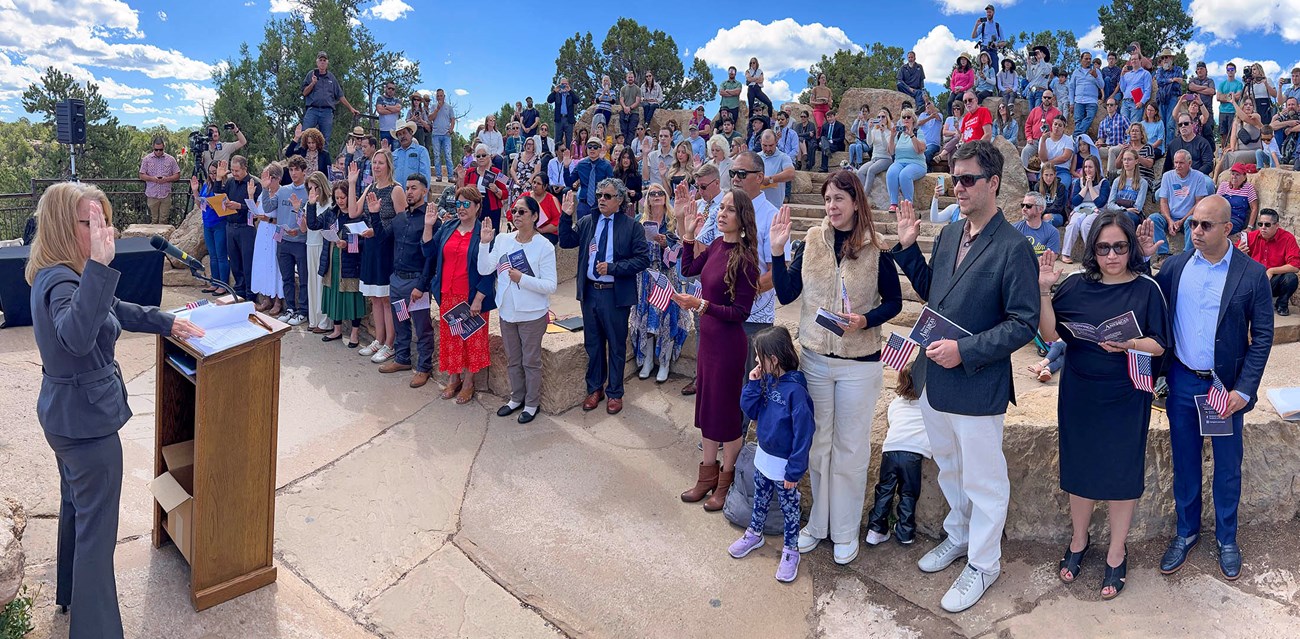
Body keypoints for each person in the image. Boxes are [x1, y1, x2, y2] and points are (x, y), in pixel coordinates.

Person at [27, 182, 204, 639]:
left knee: (77, 511)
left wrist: (166, 320)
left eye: (107, 219)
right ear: (68, 227)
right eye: (96, 221)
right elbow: (78, 336)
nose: (106, 229)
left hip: (67, 418)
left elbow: (113, 308)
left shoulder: (61, 272)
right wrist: (100, 269)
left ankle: (68, 593)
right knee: (97, 535)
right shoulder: (65, 280)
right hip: (86, 425)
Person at [891, 140, 1040, 613]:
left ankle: (984, 563)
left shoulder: (1015, 247)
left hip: (977, 382)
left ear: (993, 183)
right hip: (934, 377)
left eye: (967, 179)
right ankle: (958, 536)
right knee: (951, 469)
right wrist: (910, 250)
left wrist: (966, 350)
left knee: (984, 480)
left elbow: (1023, 322)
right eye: (954, 178)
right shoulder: (952, 233)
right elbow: (936, 293)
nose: (957, 186)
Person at [769, 169, 902, 564]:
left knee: (850, 448)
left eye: (839, 199)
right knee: (818, 445)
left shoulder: (876, 248)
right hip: (815, 360)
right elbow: (787, 292)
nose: (831, 207)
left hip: (859, 364)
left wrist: (866, 320)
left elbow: (893, 303)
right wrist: (777, 252)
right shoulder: (811, 241)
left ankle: (845, 531)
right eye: (827, 200)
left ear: (856, 201)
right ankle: (818, 525)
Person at [1037, 213, 1170, 599]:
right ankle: (1079, 540)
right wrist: (1045, 290)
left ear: (1130, 246)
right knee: (1080, 465)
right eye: (1103, 247)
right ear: (1092, 248)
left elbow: (1161, 343)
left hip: (1127, 390)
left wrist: (1129, 344)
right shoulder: (1076, 285)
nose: (1112, 255)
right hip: (1080, 390)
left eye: (1120, 247)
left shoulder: (1147, 288)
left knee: (1120, 470)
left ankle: (1116, 551)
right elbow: (1049, 334)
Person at [1150, 195, 1274, 583]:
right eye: (1193, 224)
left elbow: (1264, 336)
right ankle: (1186, 532)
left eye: (1205, 225)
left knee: (1226, 467)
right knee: (1184, 460)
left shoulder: (1251, 274)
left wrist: (1245, 390)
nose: (1196, 231)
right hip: (1184, 381)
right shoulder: (1174, 266)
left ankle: (1226, 538)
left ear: (1228, 229)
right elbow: (1148, 303)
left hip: (1225, 388)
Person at [675, 187, 761, 509]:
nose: (721, 213)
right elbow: (686, 269)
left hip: (728, 346)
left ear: (742, 218)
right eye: (720, 208)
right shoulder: (714, 246)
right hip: (707, 342)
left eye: (729, 209)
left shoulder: (746, 259)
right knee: (707, 412)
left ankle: (725, 482)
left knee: (725, 416)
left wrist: (701, 305)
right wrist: (686, 233)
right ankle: (706, 477)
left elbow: (741, 313)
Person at [728, 326, 815, 583]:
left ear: (773, 359)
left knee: (789, 510)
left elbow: (804, 434)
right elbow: (751, 411)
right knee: (760, 500)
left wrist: (794, 470)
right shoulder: (765, 380)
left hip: (784, 467)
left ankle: (791, 550)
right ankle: (755, 533)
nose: (756, 361)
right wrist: (753, 383)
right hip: (763, 459)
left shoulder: (797, 394)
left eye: (759, 357)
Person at [558, 178, 651, 414]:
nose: (601, 199)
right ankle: (595, 389)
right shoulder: (589, 221)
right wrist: (565, 216)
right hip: (590, 294)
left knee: (616, 345)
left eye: (607, 196)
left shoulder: (632, 227)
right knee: (593, 344)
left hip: (614, 296)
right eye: (599, 195)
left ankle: (615, 393)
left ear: (620, 200)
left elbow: (642, 260)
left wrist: (613, 268)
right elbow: (567, 241)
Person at [478, 196, 557, 423]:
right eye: (514, 210)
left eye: (523, 212)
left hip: (532, 314)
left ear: (534, 216)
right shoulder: (503, 239)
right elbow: (485, 269)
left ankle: (531, 404)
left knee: (530, 361)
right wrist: (484, 244)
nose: (517, 215)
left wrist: (522, 278)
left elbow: (550, 285)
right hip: (507, 311)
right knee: (513, 359)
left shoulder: (544, 246)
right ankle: (516, 398)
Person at [425, 187, 496, 403]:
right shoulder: (448, 227)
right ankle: (453, 379)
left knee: (472, 341)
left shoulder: (485, 232)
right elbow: (428, 253)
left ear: (477, 207)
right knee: (452, 339)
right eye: (458, 204)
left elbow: (489, 269)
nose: (462, 208)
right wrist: (428, 226)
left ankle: (468, 383)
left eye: (467, 204)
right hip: (449, 294)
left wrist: (479, 298)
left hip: (472, 297)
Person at [375, 173, 437, 388]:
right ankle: (402, 358)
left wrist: (422, 285)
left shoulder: (430, 219)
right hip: (398, 282)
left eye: (414, 188)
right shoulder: (400, 218)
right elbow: (382, 238)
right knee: (401, 322)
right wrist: (375, 215)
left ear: (424, 191)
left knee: (422, 328)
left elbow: (432, 256)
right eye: (408, 188)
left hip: (416, 284)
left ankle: (423, 367)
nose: (409, 192)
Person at [350, 148, 406, 364]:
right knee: (375, 298)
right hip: (370, 247)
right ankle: (378, 339)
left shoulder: (396, 189)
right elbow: (354, 211)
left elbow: (402, 222)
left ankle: (390, 344)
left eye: (380, 163)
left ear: (389, 165)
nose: (376, 166)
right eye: (374, 163)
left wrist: (379, 229)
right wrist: (353, 183)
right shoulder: (371, 187)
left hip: (386, 249)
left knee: (386, 299)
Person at [865, 362, 931, 546]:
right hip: (913, 454)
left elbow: (892, 420)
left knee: (884, 490)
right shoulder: (929, 405)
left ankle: (875, 530)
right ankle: (905, 532)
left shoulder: (895, 403)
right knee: (908, 493)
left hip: (891, 450)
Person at [631, 183, 689, 383]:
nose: (655, 196)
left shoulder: (672, 222)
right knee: (646, 318)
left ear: (665, 197)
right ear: (647, 199)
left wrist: (667, 244)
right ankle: (647, 360)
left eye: (659, 193)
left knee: (667, 318)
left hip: (666, 276)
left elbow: (681, 250)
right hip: (645, 276)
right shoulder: (640, 220)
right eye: (651, 193)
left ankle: (664, 362)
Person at [307, 179, 366, 347]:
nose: (340, 201)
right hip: (332, 262)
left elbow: (363, 242)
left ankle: (355, 333)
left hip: (350, 263)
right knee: (334, 295)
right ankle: (337, 329)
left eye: (343, 197)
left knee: (352, 297)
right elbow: (313, 225)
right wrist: (311, 205)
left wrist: (347, 245)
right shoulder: (331, 213)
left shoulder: (357, 216)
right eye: (337, 197)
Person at [211, 156, 262, 302]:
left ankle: (250, 295)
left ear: (245, 167)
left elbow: (256, 209)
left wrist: (239, 206)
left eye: (237, 170)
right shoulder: (231, 182)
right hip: (230, 226)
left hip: (246, 227)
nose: (234, 173)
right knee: (235, 262)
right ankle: (239, 292)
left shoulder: (254, 184)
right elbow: (219, 195)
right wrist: (219, 178)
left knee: (247, 263)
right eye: (232, 170)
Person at [1154, 150, 1215, 255]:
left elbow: (1198, 203)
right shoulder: (1167, 176)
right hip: (1171, 216)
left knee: (1192, 221)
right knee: (1153, 219)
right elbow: (1163, 202)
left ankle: (1187, 255)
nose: (1177, 166)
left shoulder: (1198, 177)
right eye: (1176, 162)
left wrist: (1182, 220)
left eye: (1181, 163)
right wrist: (1169, 221)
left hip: (1187, 217)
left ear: (1189, 163)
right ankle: (1163, 255)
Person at [1245, 209, 1300, 316]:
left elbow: (1295, 265)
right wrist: (1240, 253)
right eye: (1260, 224)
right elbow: (1233, 259)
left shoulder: (1287, 238)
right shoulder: (1251, 237)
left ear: (1277, 225)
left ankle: (1281, 304)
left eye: (1267, 224)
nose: (1263, 228)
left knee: (1291, 278)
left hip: (1273, 281)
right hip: (1254, 279)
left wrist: (1272, 270)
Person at [298, 171, 332, 334]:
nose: (312, 191)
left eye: (314, 187)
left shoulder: (329, 203)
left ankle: (325, 321)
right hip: (310, 244)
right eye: (309, 188)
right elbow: (305, 228)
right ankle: (314, 319)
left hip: (322, 245)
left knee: (321, 284)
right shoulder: (309, 203)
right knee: (312, 282)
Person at [1060, 156, 1110, 261]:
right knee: (1073, 224)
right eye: (1085, 167)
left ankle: (1091, 255)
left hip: (1097, 210)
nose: (1087, 170)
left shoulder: (1104, 182)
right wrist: (1085, 187)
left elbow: (1100, 202)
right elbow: (1075, 201)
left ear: (1096, 168)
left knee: (1086, 225)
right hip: (1081, 209)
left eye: (1090, 167)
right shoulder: (1079, 182)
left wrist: (1091, 187)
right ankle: (1065, 254)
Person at [301, 52, 359, 142]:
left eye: (324, 60)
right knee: (304, 135)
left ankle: (323, 156)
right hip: (312, 110)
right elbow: (304, 93)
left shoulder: (331, 77)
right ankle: (301, 155)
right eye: (320, 60)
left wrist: (351, 108)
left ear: (327, 63)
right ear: (317, 62)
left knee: (325, 140)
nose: (322, 62)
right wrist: (313, 83)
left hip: (327, 112)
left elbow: (340, 95)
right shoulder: (311, 75)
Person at [251, 163, 285, 317]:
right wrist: (250, 197)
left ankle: (278, 300)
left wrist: (269, 219)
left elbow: (284, 217)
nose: (264, 180)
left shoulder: (282, 193)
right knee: (263, 264)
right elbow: (256, 209)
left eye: (267, 177)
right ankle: (266, 298)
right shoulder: (263, 193)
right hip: (263, 230)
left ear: (275, 178)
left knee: (275, 265)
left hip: (274, 231)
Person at [190, 162, 228, 295]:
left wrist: (216, 205)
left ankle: (223, 285)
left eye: (215, 172)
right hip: (207, 224)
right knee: (213, 255)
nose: (212, 175)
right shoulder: (206, 185)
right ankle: (214, 282)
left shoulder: (223, 185)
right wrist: (195, 191)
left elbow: (225, 206)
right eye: (210, 172)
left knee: (221, 255)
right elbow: (200, 204)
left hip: (219, 223)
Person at [885, 108, 928, 209]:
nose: (906, 119)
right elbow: (891, 151)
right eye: (904, 117)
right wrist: (892, 136)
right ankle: (894, 203)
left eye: (908, 117)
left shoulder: (918, 132)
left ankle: (909, 204)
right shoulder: (899, 134)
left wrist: (911, 135)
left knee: (905, 175)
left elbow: (920, 149)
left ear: (913, 119)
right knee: (891, 172)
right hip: (899, 162)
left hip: (917, 163)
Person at [461, 144, 507, 229]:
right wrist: (462, 181)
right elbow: (461, 191)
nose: (481, 158)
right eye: (478, 156)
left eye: (484, 155)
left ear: (489, 156)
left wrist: (496, 190)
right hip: (474, 207)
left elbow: (506, 193)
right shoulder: (469, 172)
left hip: (492, 208)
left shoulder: (498, 172)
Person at [139, 135, 179, 225]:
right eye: (156, 149)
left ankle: (161, 238)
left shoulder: (171, 159)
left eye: (160, 149)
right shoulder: (146, 159)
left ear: (163, 147)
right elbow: (141, 175)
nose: (158, 152)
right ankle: (153, 238)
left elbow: (177, 175)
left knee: (163, 220)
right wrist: (152, 179)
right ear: (153, 147)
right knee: (154, 219)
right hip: (152, 194)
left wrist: (167, 179)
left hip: (165, 194)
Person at [1104, 149, 1150, 227]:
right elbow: (1110, 204)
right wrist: (1124, 210)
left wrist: (1124, 210)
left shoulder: (1143, 183)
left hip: (1132, 216)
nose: (1126, 162)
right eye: (1124, 159)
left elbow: (1137, 208)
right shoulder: (1117, 181)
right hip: (1118, 212)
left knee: (1125, 218)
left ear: (1136, 161)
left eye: (1129, 159)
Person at [571, 139, 615, 219]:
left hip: (600, 203)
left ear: (600, 149)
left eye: (595, 147)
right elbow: (569, 182)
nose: (592, 149)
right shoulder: (581, 164)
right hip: (584, 203)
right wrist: (566, 168)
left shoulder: (606, 165)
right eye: (589, 147)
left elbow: (612, 185)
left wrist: (600, 161)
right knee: (582, 229)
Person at [1020, 90, 1061, 170]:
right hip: (1034, 141)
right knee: (1025, 151)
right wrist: (1029, 137)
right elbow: (1028, 125)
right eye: (1045, 97)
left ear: (1052, 99)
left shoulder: (1057, 112)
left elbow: (1060, 128)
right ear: (1042, 98)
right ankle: (1022, 175)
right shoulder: (1035, 110)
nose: (1046, 99)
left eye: (1049, 98)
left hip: (1049, 142)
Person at [856, 108, 893, 195]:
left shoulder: (889, 132)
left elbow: (886, 147)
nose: (880, 118)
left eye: (883, 117)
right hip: (874, 158)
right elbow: (869, 143)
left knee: (871, 170)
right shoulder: (874, 130)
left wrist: (883, 133)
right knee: (860, 172)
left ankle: (864, 196)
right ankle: (861, 193)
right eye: (878, 117)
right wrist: (869, 129)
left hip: (885, 158)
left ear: (887, 118)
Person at [1217, 163, 1259, 235]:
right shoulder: (1224, 185)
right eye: (1233, 174)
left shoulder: (1248, 188)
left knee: (1218, 229)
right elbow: (1216, 202)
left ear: (1244, 177)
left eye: (1238, 174)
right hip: (1220, 216)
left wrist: (1249, 227)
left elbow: (1254, 208)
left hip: (1236, 220)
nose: (1234, 177)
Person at [1070, 52, 1105, 136]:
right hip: (1079, 100)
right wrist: (1071, 103)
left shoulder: (1096, 71)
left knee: (1089, 117)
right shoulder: (1076, 72)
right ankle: (1079, 140)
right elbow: (1071, 88)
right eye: (1086, 59)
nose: (1088, 60)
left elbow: (1102, 85)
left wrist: (1096, 76)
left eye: (1090, 59)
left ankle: (1075, 135)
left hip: (1091, 100)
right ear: (1081, 60)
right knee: (1078, 120)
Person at [758, 130, 796, 209]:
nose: (768, 149)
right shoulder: (756, 157)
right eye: (764, 145)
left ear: (776, 141)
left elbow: (791, 173)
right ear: (760, 142)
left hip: (775, 207)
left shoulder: (783, 157)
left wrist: (770, 180)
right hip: (757, 206)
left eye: (771, 145)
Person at [1038, 115, 1076, 190]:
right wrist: (1043, 141)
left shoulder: (1068, 140)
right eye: (1055, 124)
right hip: (1046, 170)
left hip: (1062, 170)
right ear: (1051, 125)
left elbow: (1065, 157)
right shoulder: (1044, 138)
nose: (1057, 127)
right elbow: (1043, 158)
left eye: (1060, 125)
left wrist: (1049, 162)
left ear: (1064, 128)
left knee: (1063, 186)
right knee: (1042, 187)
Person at [390, 120, 431, 188]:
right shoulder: (394, 154)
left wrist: (422, 194)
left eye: (404, 133)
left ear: (411, 133)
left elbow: (425, 175)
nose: (402, 136)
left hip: (415, 195)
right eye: (399, 134)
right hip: (397, 195)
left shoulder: (421, 151)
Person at [427, 89, 456, 182]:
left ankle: (450, 176)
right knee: (436, 155)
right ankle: (439, 176)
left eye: (441, 95)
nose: (440, 97)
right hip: (436, 134)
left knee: (448, 155)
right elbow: (430, 118)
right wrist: (437, 109)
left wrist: (451, 129)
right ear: (436, 97)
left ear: (444, 96)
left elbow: (452, 119)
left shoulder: (449, 107)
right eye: (438, 96)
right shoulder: (433, 106)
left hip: (446, 135)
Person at [1226, 98, 1265, 168]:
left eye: (1251, 105)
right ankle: (1216, 177)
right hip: (1241, 150)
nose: (1248, 106)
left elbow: (1244, 118)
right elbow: (1233, 136)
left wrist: (1234, 103)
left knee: (1236, 156)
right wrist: (1232, 147)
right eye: (1245, 104)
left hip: (1255, 151)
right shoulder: (1236, 122)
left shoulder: (1256, 117)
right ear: (1242, 106)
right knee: (1226, 155)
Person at [1119, 56, 1153, 129]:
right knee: (1123, 126)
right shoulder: (1127, 75)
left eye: (1135, 59)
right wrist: (1122, 75)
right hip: (1125, 102)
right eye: (1132, 59)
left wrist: (1142, 102)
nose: (1133, 61)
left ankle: (1132, 140)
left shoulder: (1145, 74)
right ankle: (1126, 140)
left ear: (1140, 60)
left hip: (1136, 102)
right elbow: (1122, 88)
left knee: (1134, 126)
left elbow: (1148, 90)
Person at [527, 174, 562, 243]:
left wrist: (542, 230)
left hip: (546, 232)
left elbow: (557, 222)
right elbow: (512, 213)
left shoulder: (552, 200)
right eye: (534, 182)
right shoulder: (525, 196)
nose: (535, 185)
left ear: (545, 186)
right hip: (526, 230)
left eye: (538, 184)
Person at [1216, 63, 1244, 149]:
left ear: (1235, 71)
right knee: (1223, 134)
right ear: (1226, 71)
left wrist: (1225, 97)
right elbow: (1218, 97)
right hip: (1223, 112)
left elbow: (1238, 96)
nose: (1230, 71)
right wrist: (1231, 96)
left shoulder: (1239, 84)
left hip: (1234, 112)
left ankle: (1233, 150)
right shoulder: (1222, 84)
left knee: (1234, 133)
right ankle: (1224, 150)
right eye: (1228, 70)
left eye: (1232, 70)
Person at [970, 4, 1006, 70]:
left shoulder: (997, 26)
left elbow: (1004, 42)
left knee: (994, 71)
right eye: (987, 12)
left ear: (993, 12)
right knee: (984, 71)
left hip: (993, 50)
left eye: (990, 12)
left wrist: (996, 44)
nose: (988, 14)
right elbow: (973, 36)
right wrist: (976, 25)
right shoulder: (983, 25)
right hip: (984, 50)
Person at [1097, 98, 1129, 171]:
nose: (1109, 106)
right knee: (1093, 150)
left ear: (1116, 106)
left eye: (1111, 105)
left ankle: (1110, 175)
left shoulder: (1122, 119)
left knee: (1112, 150)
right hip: (1107, 147)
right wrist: (1098, 143)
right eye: (1107, 105)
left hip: (1119, 146)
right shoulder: (1103, 122)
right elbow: (1101, 139)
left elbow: (1130, 133)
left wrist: (1126, 144)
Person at [548, 77, 579, 151]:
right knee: (558, 139)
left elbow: (577, 100)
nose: (564, 86)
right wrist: (555, 91)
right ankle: (557, 155)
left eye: (565, 84)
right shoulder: (557, 94)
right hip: (559, 119)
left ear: (568, 84)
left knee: (569, 140)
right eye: (562, 84)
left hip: (568, 119)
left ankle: (568, 156)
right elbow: (549, 100)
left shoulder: (570, 94)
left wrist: (570, 91)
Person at [510, 138, 542, 211]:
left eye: (531, 144)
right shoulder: (518, 155)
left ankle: (525, 212)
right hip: (518, 179)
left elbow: (537, 171)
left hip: (530, 180)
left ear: (534, 146)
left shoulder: (537, 157)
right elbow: (512, 169)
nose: (529, 146)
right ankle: (514, 212)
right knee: (515, 188)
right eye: (528, 144)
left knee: (526, 190)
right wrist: (516, 180)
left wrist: (528, 182)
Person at [612, 147, 642, 216]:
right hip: (615, 205)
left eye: (628, 158)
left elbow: (639, 195)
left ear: (631, 160)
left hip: (629, 206)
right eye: (624, 157)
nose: (626, 160)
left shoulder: (636, 175)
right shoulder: (615, 173)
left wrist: (634, 194)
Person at [745, 58, 775, 122]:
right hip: (751, 89)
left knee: (769, 103)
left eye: (754, 62)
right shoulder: (748, 71)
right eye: (751, 63)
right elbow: (749, 79)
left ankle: (770, 118)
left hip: (758, 89)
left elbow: (761, 80)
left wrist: (752, 78)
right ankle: (750, 122)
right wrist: (756, 78)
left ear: (756, 63)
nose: (752, 64)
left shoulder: (760, 71)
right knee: (751, 106)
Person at [375, 82, 403, 149]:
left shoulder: (397, 100)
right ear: (386, 88)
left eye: (393, 89)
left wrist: (386, 106)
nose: (391, 90)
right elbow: (380, 110)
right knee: (385, 152)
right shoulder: (380, 98)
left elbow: (398, 108)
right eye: (389, 88)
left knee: (396, 152)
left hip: (395, 130)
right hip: (384, 130)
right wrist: (393, 110)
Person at [1025, 45, 1053, 111]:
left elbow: (1045, 71)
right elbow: (1029, 78)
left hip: (1041, 91)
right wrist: (1028, 64)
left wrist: (1041, 60)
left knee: (1038, 112)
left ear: (1045, 54)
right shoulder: (1033, 66)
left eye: (1039, 52)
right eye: (1036, 53)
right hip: (1031, 91)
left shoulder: (1048, 65)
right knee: (1031, 113)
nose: (1037, 55)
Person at [917, 100, 944, 166]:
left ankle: (927, 171)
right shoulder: (922, 115)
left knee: (927, 153)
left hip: (933, 144)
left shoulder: (939, 115)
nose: (927, 106)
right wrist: (930, 117)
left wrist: (932, 111)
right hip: (921, 143)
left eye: (929, 105)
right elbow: (919, 123)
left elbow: (938, 118)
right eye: (926, 105)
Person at [848, 105, 873, 169]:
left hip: (866, 144)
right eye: (862, 111)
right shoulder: (858, 121)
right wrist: (857, 120)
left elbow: (868, 132)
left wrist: (864, 122)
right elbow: (852, 130)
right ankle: (851, 163)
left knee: (858, 146)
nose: (864, 113)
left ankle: (859, 164)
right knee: (851, 146)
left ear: (868, 113)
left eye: (865, 111)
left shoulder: (869, 121)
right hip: (858, 142)